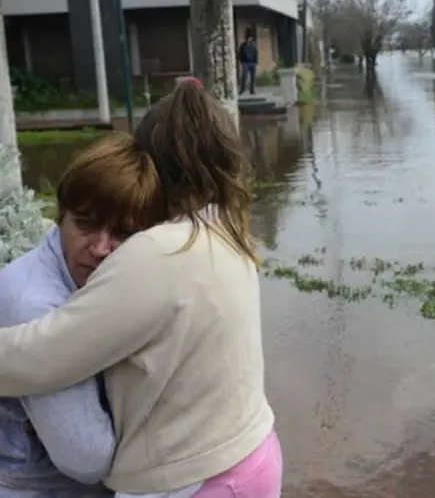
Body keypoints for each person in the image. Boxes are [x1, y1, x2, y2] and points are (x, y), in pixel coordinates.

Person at [0, 81, 282, 498]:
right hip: (254, 454)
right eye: (84, 223)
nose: (102, 249)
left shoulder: (157, 251)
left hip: (193, 481)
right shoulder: (227, 229)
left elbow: (45, 354)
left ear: (151, 164)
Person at [0, 132, 165, 497]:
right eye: (86, 224)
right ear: (61, 216)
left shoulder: (97, 282)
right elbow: (87, 459)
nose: (101, 248)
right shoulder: (36, 306)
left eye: (123, 233)